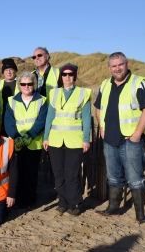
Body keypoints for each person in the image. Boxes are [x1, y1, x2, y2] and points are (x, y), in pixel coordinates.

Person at [94, 52, 145, 227]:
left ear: (126, 64)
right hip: (110, 139)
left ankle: (141, 216)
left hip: (130, 140)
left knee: (135, 178)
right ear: (109, 68)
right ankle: (113, 209)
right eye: (114, 66)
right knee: (113, 177)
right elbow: (98, 108)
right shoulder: (105, 84)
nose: (117, 68)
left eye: (120, 64)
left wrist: (136, 135)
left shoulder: (139, 83)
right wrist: (102, 128)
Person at [42, 63, 92, 216]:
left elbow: (86, 118)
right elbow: (50, 116)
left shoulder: (83, 94)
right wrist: (46, 137)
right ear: (61, 77)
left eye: (71, 74)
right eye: (65, 74)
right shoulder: (54, 93)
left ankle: (75, 203)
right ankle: (63, 202)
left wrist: (86, 139)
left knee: (71, 174)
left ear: (75, 76)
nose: (67, 77)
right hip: (56, 140)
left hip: (74, 140)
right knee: (58, 174)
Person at [4, 71, 47, 208]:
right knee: (17, 172)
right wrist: (17, 137)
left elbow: (42, 120)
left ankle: (30, 200)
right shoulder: (11, 101)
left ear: (34, 84)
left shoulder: (42, 100)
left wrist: (31, 134)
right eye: (23, 84)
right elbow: (8, 121)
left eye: (29, 84)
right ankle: (18, 199)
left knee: (31, 173)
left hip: (33, 143)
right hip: (17, 143)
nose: (26, 86)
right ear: (19, 85)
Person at [0, 58, 20, 136]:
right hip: (1, 122)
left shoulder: (22, 82)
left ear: (15, 70)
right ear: (3, 72)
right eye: (6, 70)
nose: (8, 72)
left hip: (18, 121)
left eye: (11, 69)